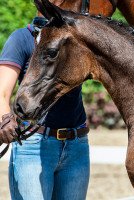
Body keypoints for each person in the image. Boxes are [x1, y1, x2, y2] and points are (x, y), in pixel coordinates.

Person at [0, 2, 90, 200]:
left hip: (77, 145)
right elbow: (2, 92)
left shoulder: (75, 41)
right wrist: (5, 119)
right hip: (33, 144)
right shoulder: (22, 38)